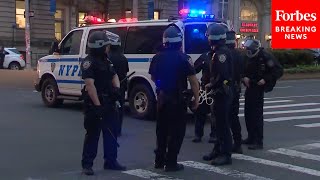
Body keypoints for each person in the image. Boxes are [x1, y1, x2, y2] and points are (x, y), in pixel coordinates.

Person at [149, 24, 200, 171]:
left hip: (162, 99)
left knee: (162, 131)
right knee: (176, 133)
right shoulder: (184, 58)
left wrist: (163, 85)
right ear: (179, 41)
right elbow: (193, 81)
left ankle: (159, 161)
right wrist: (196, 99)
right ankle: (171, 163)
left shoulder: (157, 57)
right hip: (178, 101)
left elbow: (153, 77)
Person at [81, 30, 126, 176]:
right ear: (100, 46)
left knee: (111, 133)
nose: (108, 47)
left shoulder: (106, 60)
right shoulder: (89, 62)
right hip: (95, 104)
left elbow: (115, 76)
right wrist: (97, 105)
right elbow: (90, 85)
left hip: (109, 102)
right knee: (93, 135)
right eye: (106, 45)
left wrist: (116, 90)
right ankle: (87, 165)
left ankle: (111, 161)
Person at [242, 39, 283, 150]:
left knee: (256, 115)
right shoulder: (247, 56)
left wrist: (265, 79)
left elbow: (278, 70)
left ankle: (258, 141)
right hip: (249, 86)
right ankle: (251, 137)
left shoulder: (265, 56)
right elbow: (242, 69)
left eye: (250, 49)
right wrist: (244, 77)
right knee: (248, 114)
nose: (248, 51)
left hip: (259, 87)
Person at [202, 23, 234, 166]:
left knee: (222, 125)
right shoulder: (219, 51)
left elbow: (222, 76)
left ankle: (225, 154)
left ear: (213, 38)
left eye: (209, 36)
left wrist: (211, 84)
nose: (207, 39)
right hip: (219, 93)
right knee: (217, 123)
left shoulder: (221, 54)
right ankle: (217, 149)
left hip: (222, 93)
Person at [192, 51, 217, 143]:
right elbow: (194, 69)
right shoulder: (205, 56)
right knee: (199, 111)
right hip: (204, 88)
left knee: (215, 113)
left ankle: (214, 135)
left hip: (216, 88)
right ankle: (198, 134)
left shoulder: (222, 55)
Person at [225, 31, 244, 154]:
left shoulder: (225, 54)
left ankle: (224, 145)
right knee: (234, 117)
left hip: (226, 89)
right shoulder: (239, 55)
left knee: (224, 119)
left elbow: (223, 74)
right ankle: (238, 143)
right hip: (236, 88)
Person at [108, 37, 129, 137]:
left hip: (109, 88)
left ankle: (110, 129)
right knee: (120, 108)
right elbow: (125, 72)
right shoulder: (123, 58)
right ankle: (118, 129)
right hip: (121, 87)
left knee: (110, 108)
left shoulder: (107, 58)